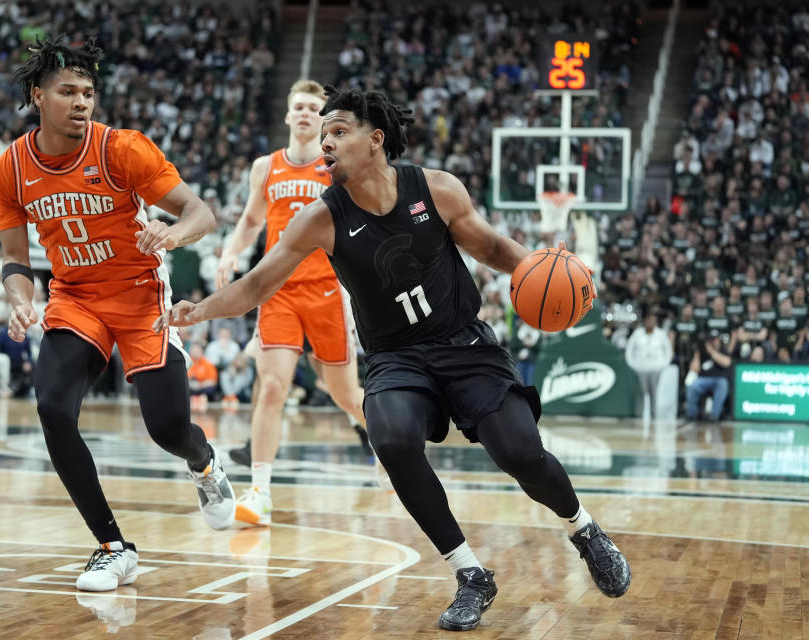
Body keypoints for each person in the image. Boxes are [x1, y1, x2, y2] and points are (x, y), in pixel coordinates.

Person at [156, 85, 631, 631]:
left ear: (375, 139)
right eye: (324, 133)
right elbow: (259, 283)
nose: (326, 142)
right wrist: (202, 310)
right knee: (392, 438)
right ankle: (470, 573)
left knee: (521, 452)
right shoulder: (320, 217)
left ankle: (585, 530)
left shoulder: (436, 189)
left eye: (338, 132)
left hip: (465, 346)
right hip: (396, 358)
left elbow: (496, 249)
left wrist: (550, 273)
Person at [0, 35, 236, 593]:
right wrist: (20, 300)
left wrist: (171, 234)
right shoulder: (11, 168)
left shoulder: (121, 149)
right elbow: (14, 258)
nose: (82, 102)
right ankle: (111, 546)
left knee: (167, 427)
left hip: (137, 290)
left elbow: (202, 212)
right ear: (38, 95)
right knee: (52, 406)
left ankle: (204, 463)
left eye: (89, 92)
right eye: (68, 91)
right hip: (75, 296)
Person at [214, 80, 369, 526]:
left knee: (345, 394)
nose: (304, 113)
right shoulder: (266, 167)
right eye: (297, 106)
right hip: (277, 291)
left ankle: (384, 447)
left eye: (312, 108)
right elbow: (249, 221)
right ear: (287, 116)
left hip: (326, 290)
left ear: (323, 120)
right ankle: (260, 492)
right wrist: (231, 251)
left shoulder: (335, 167)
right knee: (274, 386)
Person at [624, 308, 673, 421]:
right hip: (640, 369)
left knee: (654, 394)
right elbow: (629, 351)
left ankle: (654, 416)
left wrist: (663, 365)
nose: (651, 322)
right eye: (649, 320)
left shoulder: (661, 334)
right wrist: (634, 366)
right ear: (645, 321)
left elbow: (668, 351)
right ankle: (639, 415)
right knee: (640, 394)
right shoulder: (637, 333)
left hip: (656, 369)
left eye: (653, 320)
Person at [684, 331, 732, 422]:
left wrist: (712, 352)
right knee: (692, 386)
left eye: (716, 339)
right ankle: (692, 414)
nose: (714, 342)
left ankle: (714, 415)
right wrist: (697, 353)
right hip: (703, 379)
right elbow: (694, 369)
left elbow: (727, 363)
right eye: (712, 340)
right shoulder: (702, 351)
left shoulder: (723, 350)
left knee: (723, 384)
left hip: (718, 379)